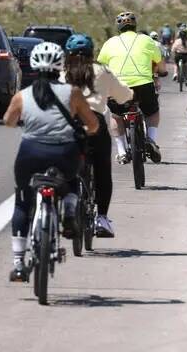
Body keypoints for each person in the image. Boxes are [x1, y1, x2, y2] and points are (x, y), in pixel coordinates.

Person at [1, 41, 99, 282]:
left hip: (30, 153)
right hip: (65, 153)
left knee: (23, 202)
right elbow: (93, 124)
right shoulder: (73, 93)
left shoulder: (22, 96)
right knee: (73, 181)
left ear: (34, 66)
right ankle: (67, 211)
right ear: (60, 66)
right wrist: (85, 130)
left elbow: (9, 121)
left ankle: (18, 264)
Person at [64, 33, 133, 238]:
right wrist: (130, 97)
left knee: (64, 166)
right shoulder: (103, 71)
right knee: (102, 170)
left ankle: (66, 210)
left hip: (69, 123)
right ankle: (102, 218)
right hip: (95, 122)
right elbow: (123, 95)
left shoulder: (62, 72)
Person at [97, 11, 165, 164]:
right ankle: (151, 140)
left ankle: (121, 152)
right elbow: (159, 61)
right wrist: (163, 71)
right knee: (152, 112)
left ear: (118, 27)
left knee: (116, 115)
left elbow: (102, 64)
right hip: (143, 85)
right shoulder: (147, 40)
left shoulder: (110, 43)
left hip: (119, 86)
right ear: (135, 26)